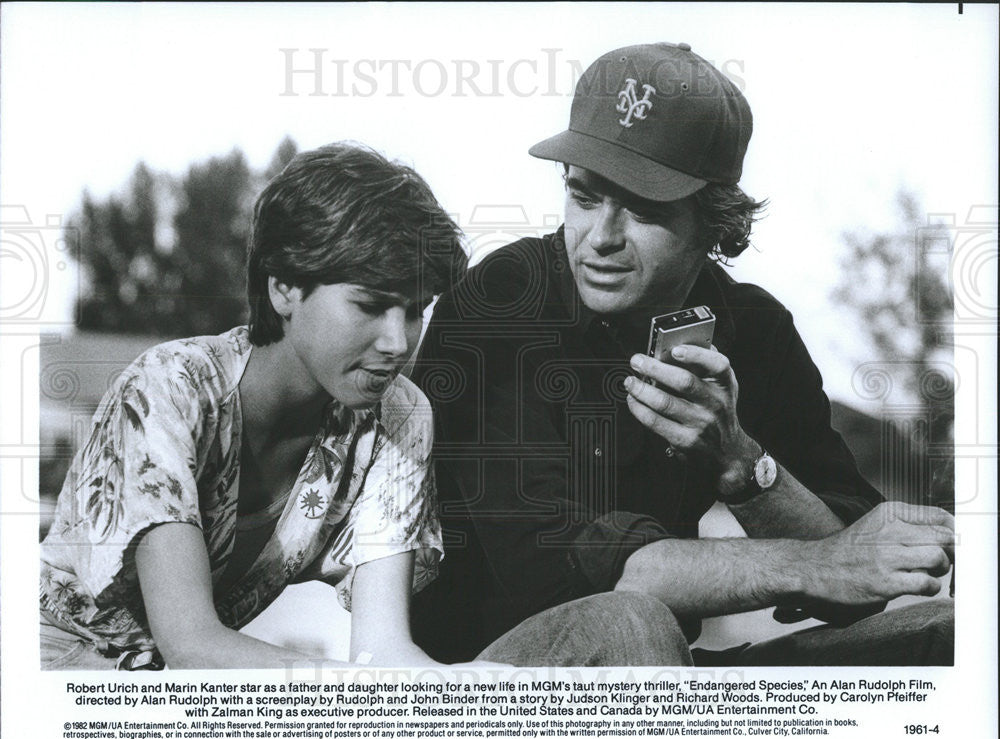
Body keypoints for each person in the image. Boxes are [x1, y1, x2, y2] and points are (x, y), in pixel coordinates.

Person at [410, 42, 954, 666]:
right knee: (626, 623)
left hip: (660, 679)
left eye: (642, 209)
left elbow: (852, 585)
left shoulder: (756, 329)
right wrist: (813, 562)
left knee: (945, 632)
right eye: (584, 197)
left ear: (717, 223)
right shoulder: (499, 303)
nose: (600, 240)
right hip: (484, 685)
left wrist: (742, 467)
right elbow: (560, 577)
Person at [39, 142, 475, 670]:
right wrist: (379, 692)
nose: (397, 342)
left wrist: (474, 692)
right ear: (284, 286)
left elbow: (382, 650)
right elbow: (193, 644)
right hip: (44, 691)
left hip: (189, 707)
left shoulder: (399, 418)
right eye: (371, 303)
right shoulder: (171, 387)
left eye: (415, 310)